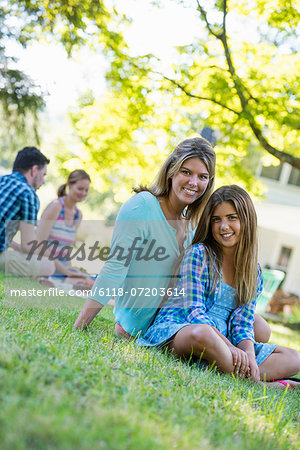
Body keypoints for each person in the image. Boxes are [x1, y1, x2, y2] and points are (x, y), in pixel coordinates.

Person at [74, 138, 270, 346]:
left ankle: (251, 366)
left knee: (261, 329)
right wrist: (80, 325)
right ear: (171, 171)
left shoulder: (195, 223)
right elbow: (115, 268)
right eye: (186, 172)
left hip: (185, 314)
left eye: (202, 176)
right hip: (149, 324)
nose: (194, 183)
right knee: (239, 336)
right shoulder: (142, 207)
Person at [139, 185, 300, 389]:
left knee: (293, 358)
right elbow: (194, 312)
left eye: (232, 217)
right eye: (217, 219)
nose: (224, 226)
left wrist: (248, 354)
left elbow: (243, 322)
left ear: (246, 220)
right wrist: (230, 347)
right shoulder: (199, 254)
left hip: (224, 339)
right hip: (182, 329)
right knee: (203, 335)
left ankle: (221, 367)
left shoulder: (253, 271)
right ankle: (257, 384)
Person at [0, 146, 54, 277]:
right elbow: (28, 245)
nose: (43, 181)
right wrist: (52, 256)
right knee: (48, 266)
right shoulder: (28, 194)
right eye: (43, 175)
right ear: (34, 170)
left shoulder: (2, 181)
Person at [37, 169, 92, 286]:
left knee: (87, 281)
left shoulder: (78, 214)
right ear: (69, 185)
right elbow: (40, 243)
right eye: (80, 189)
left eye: (86, 190)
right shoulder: (56, 207)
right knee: (74, 285)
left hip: (60, 265)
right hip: (44, 261)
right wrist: (64, 270)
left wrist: (70, 269)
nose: (83, 193)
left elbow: (66, 249)